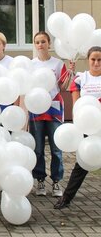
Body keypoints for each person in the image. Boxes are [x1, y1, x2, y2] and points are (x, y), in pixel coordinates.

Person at [54, 46, 101, 209]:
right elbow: (76, 106)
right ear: (88, 60)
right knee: (82, 163)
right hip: (87, 129)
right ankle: (66, 198)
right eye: (93, 59)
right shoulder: (81, 78)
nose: (96, 63)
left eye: (99, 60)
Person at [30, 31, 73, 198]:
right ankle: (40, 180)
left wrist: (70, 73)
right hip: (36, 111)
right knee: (38, 148)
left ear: (49, 43)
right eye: (37, 42)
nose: (40, 45)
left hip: (54, 109)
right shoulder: (31, 64)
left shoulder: (57, 63)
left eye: (43, 41)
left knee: (56, 148)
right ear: (35, 45)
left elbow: (63, 87)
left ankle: (56, 181)